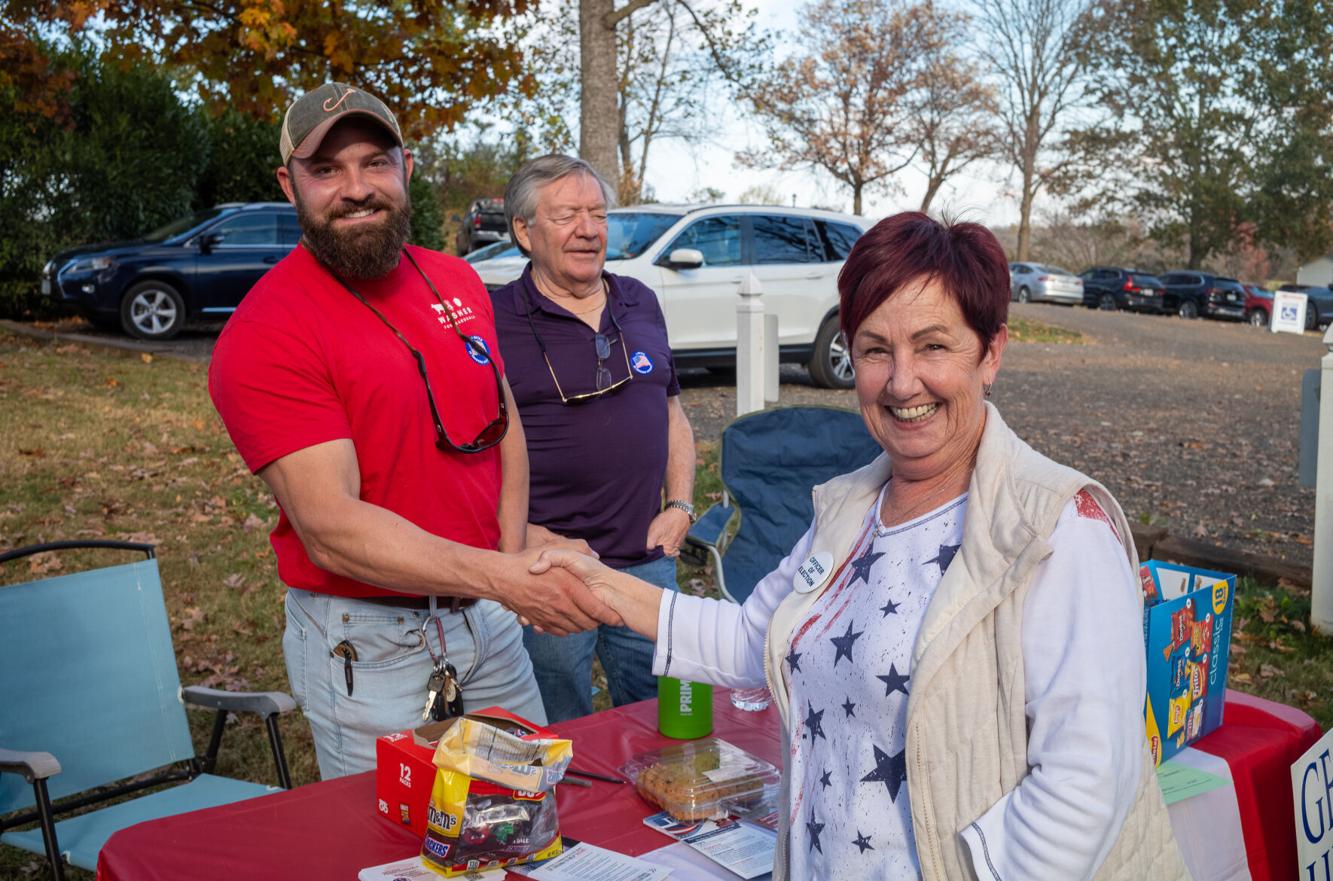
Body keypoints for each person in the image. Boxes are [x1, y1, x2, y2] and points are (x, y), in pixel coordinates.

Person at [533, 213, 1189, 879]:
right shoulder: (849, 505)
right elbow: (754, 639)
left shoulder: (1055, 527)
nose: (902, 382)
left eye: (932, 346)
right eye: (875, 350)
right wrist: (603, 585)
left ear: (990, 352)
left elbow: (1082, 788)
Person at [208, 83, 613, 779]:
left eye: (375, 162)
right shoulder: (266, 330)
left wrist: (509, 559)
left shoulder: (456, 279)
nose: (356, 188)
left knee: (526, 804)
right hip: (371, 644)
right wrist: (505, 576)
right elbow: (330, 526)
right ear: (288, 184)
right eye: (326, 169)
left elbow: (504, 424)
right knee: (400, 833)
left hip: (486, 616)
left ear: (407, 168)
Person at [491, 155, 696, 722]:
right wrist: (522, 535)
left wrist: (680, 505)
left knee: (663, 723)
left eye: (598, 214)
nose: (588, 230)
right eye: (566, 217)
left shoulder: (640, 300)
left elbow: (673, 413)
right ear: (524, 231)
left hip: (647, 561)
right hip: (548, 567)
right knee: (557, 729)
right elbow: (468, 455)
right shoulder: (494, 318)